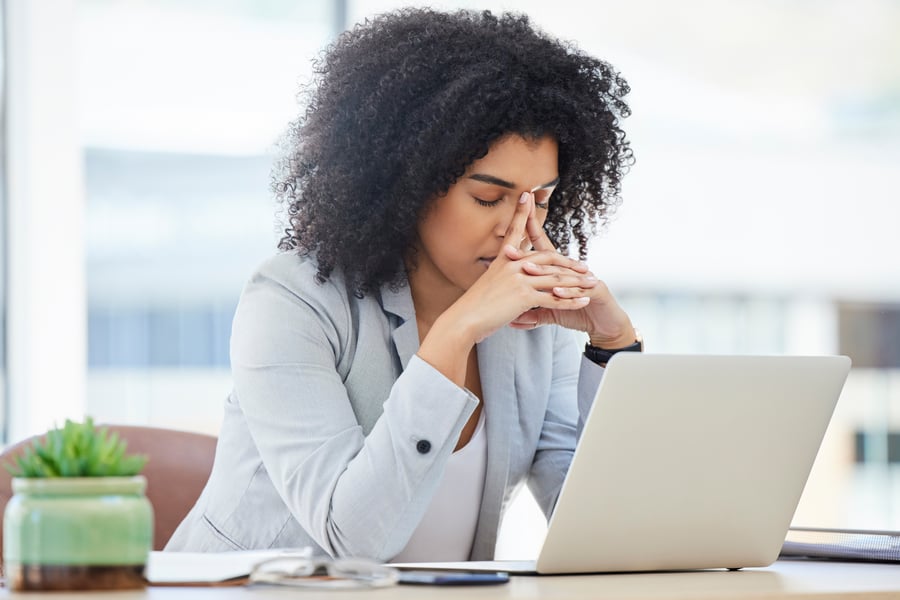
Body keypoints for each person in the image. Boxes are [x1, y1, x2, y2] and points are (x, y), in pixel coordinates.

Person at [166, 6, 638, 562]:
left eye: (540, 199)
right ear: (409, 181)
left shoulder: (532, 319)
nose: (520, 231)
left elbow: (603, 524)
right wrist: (455, 333)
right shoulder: (291, 301)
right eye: (488, 198)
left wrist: (614, 347)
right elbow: (352, 539)